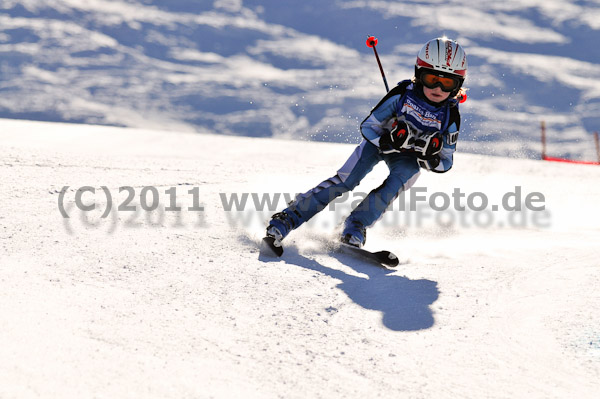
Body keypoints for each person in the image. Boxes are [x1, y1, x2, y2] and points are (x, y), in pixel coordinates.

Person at [266, 37, 468, 248]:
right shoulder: (402, 95)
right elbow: (368, 126)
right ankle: (290, 217)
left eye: (447, 83)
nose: (437, 88)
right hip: (378, 144)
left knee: (397, 183)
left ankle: (355, 225)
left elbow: (446, 161)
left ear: (457, 86)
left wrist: (429, 158)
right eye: (431, 78)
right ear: (418, 74)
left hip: (409, 158)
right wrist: (387, 140)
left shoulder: (450, 115)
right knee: (346, 181)